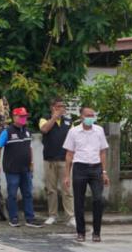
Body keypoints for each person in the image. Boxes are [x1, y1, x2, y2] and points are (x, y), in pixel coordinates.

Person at [62, 107, 109, 242]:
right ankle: (81, 232)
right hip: (80, 168)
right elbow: (69, 154)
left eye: (92, 115)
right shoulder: (73, 132)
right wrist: (67, 175)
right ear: (81, 117)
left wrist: (104, 172)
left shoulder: (99, 130)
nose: (90, 118)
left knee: (98, 199)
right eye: (88, 115)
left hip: (96, 168)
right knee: (79, 201)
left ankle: (96, 232)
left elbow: (103, 152)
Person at [0, 106, 37, 227]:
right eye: (21, 116)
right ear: (14, 117)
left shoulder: (27, 131)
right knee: (12, 194)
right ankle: (13, 218)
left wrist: (31, 163)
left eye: (25, 116)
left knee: (28, 193)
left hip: (26, 169)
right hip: (12, 170)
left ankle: (30, 219)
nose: (24, 118)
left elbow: (29, 148)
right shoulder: (7, 132)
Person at [39, 98, 72, 226]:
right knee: (51, 190)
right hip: (49, 160)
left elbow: (73, 139)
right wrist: (54, 118)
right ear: (53, 107)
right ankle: (53, 215)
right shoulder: (44, 119)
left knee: (67, 190)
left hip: (65, 160)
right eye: (59, 106)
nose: (63, 108)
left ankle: (70, 217)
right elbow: (44, 130)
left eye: (64, 106)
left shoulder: (69, 122)